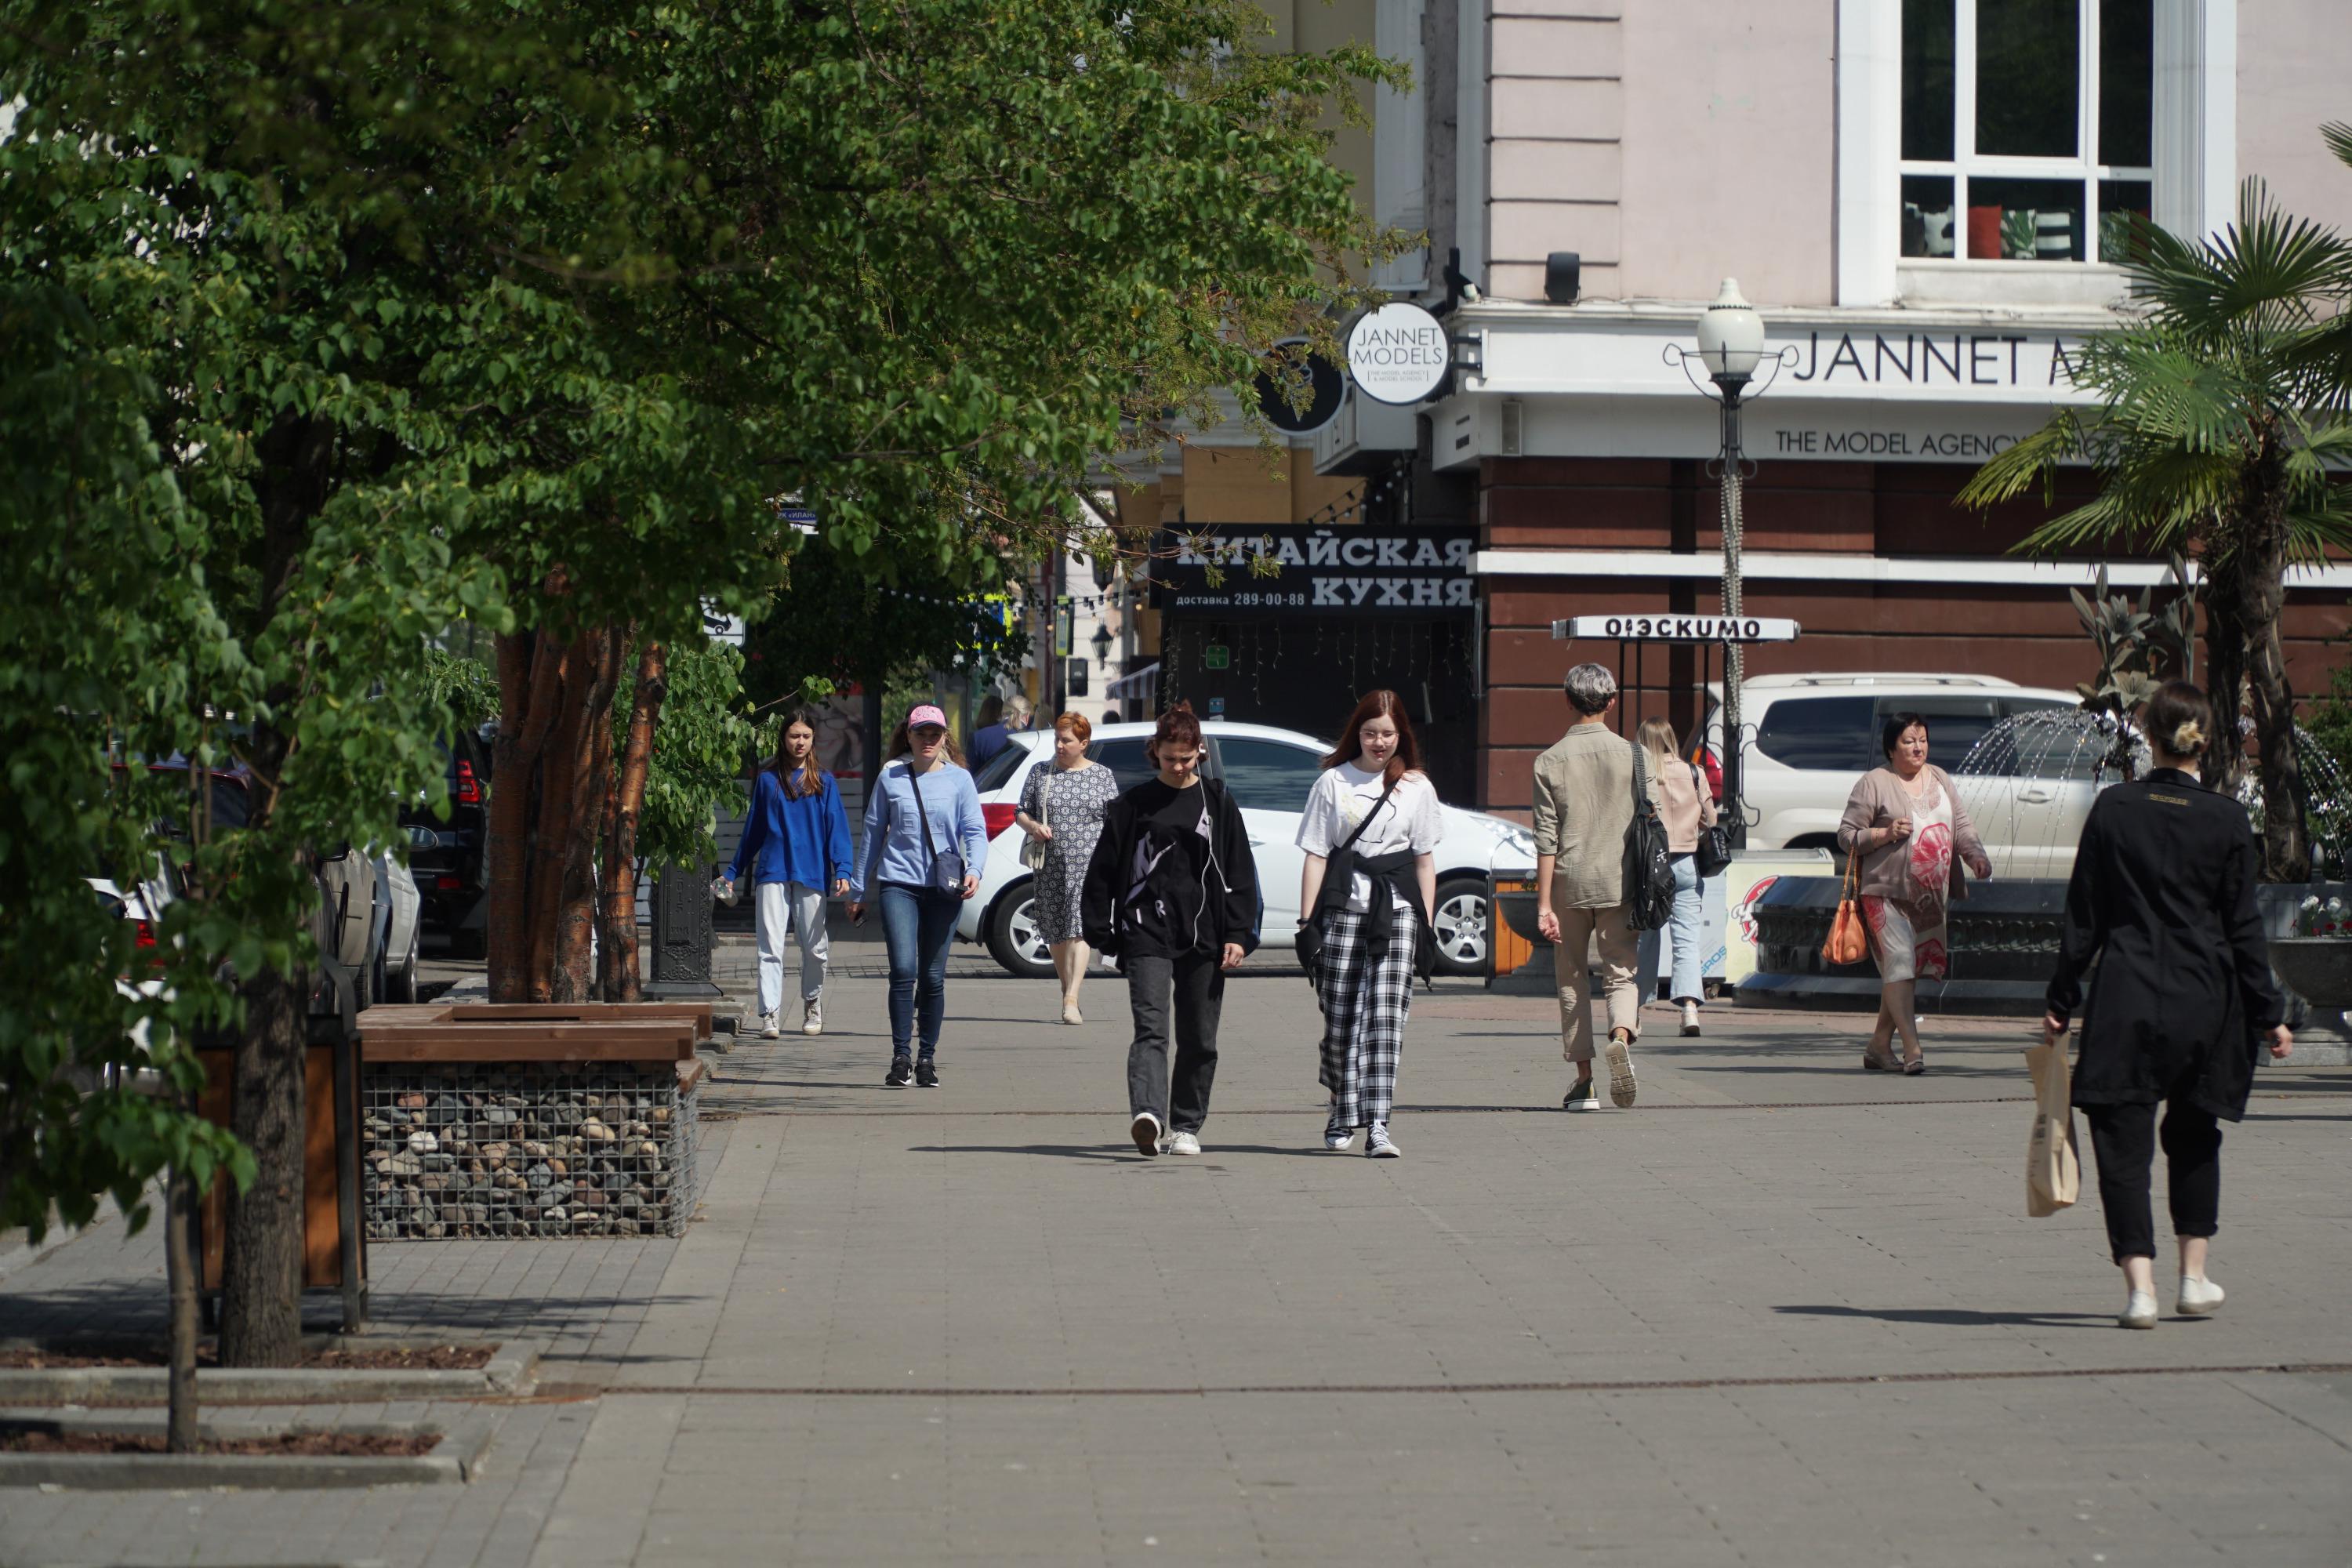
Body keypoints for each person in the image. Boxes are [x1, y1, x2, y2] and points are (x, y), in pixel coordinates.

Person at [2044, 681, 2292, 1330]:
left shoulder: (2114, 809)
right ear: (2202, 742)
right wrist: (2270, 1013)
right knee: (2194, 1135)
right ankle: (2194, 1277)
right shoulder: (2227, 819)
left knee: (2121, 1147)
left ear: (2147, 734)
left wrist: (2061, 999)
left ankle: (2140, 1291)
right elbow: (2244, 928)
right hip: (2205, 1002)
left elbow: (2084, 918)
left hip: (2125, 995)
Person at [1081, 702, 1258, 1158]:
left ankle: (1185, 1124)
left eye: (1186, 758)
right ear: (1154, 752)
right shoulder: (1133, 805)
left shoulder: (1217, 801)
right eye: (1169, 758)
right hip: (1145, 932)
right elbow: (1102, 871)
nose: (1179, 767)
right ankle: (1149, 1116)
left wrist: (1238, 933)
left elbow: (1240, 870)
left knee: (1200, 1036)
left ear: (1199, 751)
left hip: (1206, 935)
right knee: (1152, 1029)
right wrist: (1101, 931)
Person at [1297, 690, 1441, 1156]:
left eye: (1388, 734)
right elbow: (1316, 855)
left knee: (1384, 1021)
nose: (1379, 743)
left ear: (1401, 735)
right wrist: (1306, 924)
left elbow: (1424, 860)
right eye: (1370, 733)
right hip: (1341, 911)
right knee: (1339, 1020)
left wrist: (1427, 921)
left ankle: (1378, 1122)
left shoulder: (1416, 786)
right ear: (1356, 734)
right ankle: (1342, 1106)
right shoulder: (1333, 782)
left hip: (1396, 914)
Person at [1836, 713, 1993, 1074]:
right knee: (1901, 964)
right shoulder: (1874, 783)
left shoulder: (1939, 777)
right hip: (1885, 892)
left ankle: (1878, 1045)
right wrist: (1884, 834)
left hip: (1930, 898)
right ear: (1892, 748)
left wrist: (1975, 856)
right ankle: (1913, 1048)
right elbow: (1846, 836)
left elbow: (1963, 825)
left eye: (1922, 739)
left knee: (1903, 972)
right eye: (1909, 741)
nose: (1918, 746)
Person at [1533, 663, 1659, 1112]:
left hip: (1570, 881)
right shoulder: (1636, 756)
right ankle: (1620, 1035)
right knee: (1621, 971)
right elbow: (1654, 815)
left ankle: (1584, 1082)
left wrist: (1544, 902)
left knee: (1571, 978)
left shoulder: (1549, 761)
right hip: (1621, 880)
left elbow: (1546, 837)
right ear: (1612, 700)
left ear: (1568, 700)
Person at [847, 705, 988, 1088]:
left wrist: (974, 870)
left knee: (932, 976)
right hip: (899, 884)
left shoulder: (960, 780)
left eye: (935, 734)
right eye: (921, 733)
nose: (928, 740)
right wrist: (857, 889)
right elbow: (873, 834)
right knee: (904, 971)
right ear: (907, 735)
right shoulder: (891, 776)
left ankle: (927, 1058)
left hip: (945, 888)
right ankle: (900, 1057)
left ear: (945, 737)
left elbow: (975, 831)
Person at [721, 710, 853, 1039]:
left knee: (815, 948)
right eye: (794, 735)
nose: (800, 742)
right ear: (783, 738)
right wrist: (732, 871)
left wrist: (844, 868)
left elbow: (837, 827)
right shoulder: (768, 781)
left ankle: (812, 1001)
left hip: (811, 872)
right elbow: (753, 831)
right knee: (770, 947)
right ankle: (770, 1014)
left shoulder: (824, 780)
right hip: (773, 871)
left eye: (806, 736)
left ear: (813, 739)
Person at [1016, 712, 1119, 1024]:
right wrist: (1033, 826)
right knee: (1055, 932)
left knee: (1080, 926)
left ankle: (1072, 996)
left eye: (1067, 741)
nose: (1060, 746)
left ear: (1083, 743)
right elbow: (1021, 812)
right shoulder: (1040, 773)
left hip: (1089, 865)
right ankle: (1066, 990)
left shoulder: (1102, 776)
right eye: (1057, 740)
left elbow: (1115, 820)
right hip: (1051, 865)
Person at [1632, 717, 1719, 1039]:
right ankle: (1689, 1011)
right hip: (1686, 863)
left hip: (1650, 866)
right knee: (1686, 939)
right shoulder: (1693, 772)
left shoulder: (1641, 777)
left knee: (1645, 939)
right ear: (1671, 739)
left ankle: (1635, 1014)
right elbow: (1712, 818)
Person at [968, 695, 1009, 768]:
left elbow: (971, 767)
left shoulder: (977, 737)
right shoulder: (1010, 733)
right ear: (1001, 713)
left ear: (983, 712)